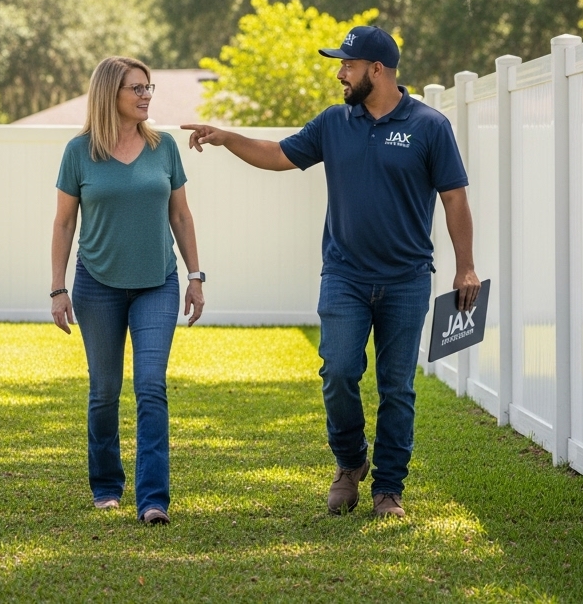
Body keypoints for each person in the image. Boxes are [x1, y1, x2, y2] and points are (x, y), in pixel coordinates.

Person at [183, 26, 478, 519]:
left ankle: (388, 487)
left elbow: (454, 198)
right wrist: (228, 138)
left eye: (347, 64)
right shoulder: (334, 123)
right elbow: (279, 155)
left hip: (407, 277)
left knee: (396, 386)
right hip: (343, 274)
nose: (340, 73)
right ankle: (349, 462)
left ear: (376, 70)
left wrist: (466, 266)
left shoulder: (430, 126)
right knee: (338, 371)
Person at [50, 56, 206, 525]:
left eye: (148, 87)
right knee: (104, 391)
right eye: (136, 89)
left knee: (152, 386)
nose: (145, 96)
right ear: (109, 95)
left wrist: (196, 276)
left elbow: (180, 215)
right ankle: (106, 485)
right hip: (97, 284)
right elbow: (63, 222)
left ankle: (154, 498)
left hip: (157, 283)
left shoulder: (164, 148)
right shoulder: (79, 152)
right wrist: (58, 289)